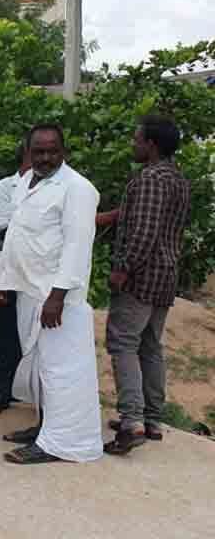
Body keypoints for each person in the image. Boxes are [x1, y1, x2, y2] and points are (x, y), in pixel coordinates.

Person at [0, 124, 102, 465]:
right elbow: (17, 236)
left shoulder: (78, 189)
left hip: (58, 299)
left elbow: (76, 246)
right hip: (29, 290)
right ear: (29, 152)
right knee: (40, 366)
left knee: (61, 369)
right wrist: (3, 280)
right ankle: (46, 428)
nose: (45, 157)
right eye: (38, 151)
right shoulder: (27, 182)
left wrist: (57, 295)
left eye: (52, 151)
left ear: (63, 151)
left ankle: (62, 443)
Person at [104, 116, 191, 455]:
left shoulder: (151, 179)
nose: (133, 143)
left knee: (123, 343)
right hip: (166, 275)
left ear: (151, 145)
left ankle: (132, 422)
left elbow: (144, 232)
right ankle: (153, 419)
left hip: (142, 277)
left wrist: (123, 268)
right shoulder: (178, 179)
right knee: (150, 346)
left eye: (137, 139)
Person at [0, 137, 32, 417]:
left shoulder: (55, 187)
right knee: (6, 332)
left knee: (38, 336)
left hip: (40, 273)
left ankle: (31, 391)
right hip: (10, 267)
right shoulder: (3, 188)